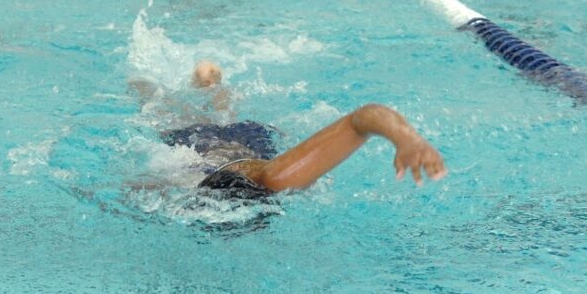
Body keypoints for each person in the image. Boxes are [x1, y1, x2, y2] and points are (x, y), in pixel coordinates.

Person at [149, 62, 446, 199]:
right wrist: (406, 139)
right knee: (202, 113)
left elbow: (364, 117)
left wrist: (408, 139)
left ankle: (205, 80)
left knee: (179, 113)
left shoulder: (276, 178)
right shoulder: (275, 179)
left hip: (205, 148)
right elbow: (362, 119)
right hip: (232, 145)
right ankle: (207, 80)